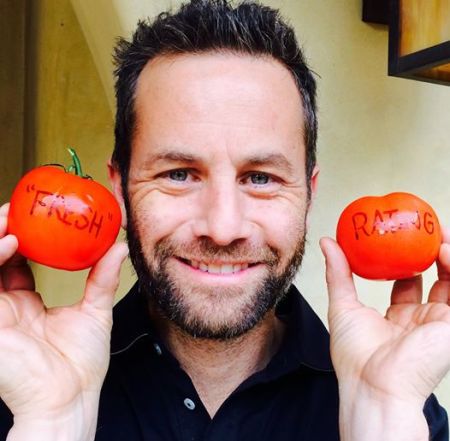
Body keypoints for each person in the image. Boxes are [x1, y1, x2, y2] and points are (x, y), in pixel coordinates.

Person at [0, 0, 449, 439]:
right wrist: (52, 422)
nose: (223, 227)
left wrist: (382, 414)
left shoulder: (400, 407)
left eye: (260, 178)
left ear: (309, 192)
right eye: (179, 174)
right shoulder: (26, 400)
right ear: (119, 188)